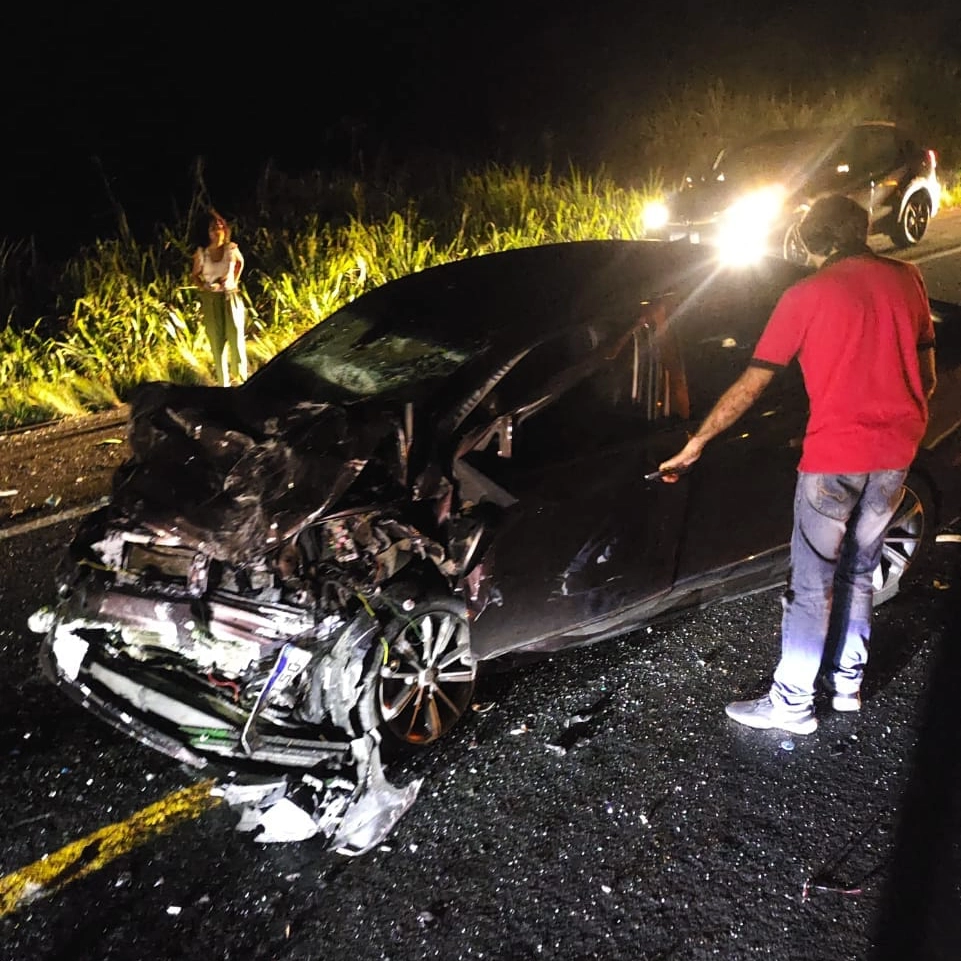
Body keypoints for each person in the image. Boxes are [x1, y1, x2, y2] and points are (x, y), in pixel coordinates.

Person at [657, 194, 937, 735]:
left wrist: (697, 442)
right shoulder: (908, 278)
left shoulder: (805, 295)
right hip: (894, 456)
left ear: (815, 240)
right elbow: (927, 378)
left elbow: (752, 383)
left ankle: (792, 705)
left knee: (813, 582)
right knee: (860, 570)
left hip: (834, 459)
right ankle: (848, 685)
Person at [191, 210, 248, 386]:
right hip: (212, 300)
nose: (217, 230)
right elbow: (194, 275)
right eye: (213, 228)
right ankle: (224, 384)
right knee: (217, 341)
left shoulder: (231, 249)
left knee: (236, 336)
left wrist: (234, 280)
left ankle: (242, 379)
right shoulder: (202, 253)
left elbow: (240, 263)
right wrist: (205, 287)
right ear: (207, 232)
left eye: (220, 226)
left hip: (230, 296)